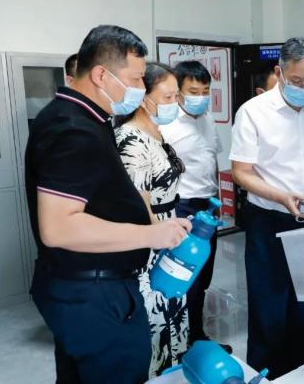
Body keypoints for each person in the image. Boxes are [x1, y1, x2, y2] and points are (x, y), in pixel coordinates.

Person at [25, 25, 191, 384]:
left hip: (83, 287)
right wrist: (151, 235)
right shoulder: (73, 129)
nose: (140, 88)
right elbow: (59, 227)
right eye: (135, 78)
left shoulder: (85, 118)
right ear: (101, 75)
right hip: (93, 293)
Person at [230, 37, 304, 379]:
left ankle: (303, 374)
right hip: (269, 222)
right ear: (279, 72)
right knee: (269, 312)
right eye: (297, 81)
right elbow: (241, 172)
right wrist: (281, 196)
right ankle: (264, 375)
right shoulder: (253, 112)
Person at [115, 62, 188, 377]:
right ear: (144, 98)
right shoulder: (130, 138)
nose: (175, 103)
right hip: (150, 240)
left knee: (174, 310)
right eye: (168, 97)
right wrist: (159, 238)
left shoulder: (155, 131)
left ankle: (173, 374)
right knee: (156, 317)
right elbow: (138, 202)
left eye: (176, 96)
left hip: (167, 232)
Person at [159, 60, 229, 351]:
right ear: (178, 92)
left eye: (205, 91)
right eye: (193, 91)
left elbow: (212, 161)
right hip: (181, 207)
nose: (200, 97)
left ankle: (195, 335)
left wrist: (218, 201)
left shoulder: (209, 119)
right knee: (181, 274)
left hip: (207, 205)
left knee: (202, 275)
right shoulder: (165, 123)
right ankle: (174, 342)